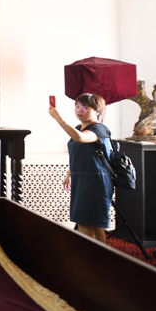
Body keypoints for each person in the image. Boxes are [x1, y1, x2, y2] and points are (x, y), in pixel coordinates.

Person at [48, 93, 113, 242]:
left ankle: (89, 254)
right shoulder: (78, 128)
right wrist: (69, 175)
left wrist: (59, 119)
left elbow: (81, 138)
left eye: (85, 107)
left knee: (89, 223)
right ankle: (98, 255)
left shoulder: (100, 129)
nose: (80, 110)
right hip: (81, 179)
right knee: (92, 224)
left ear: (97, 111)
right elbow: (78, 153)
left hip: (96, 181)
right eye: (77, 106)